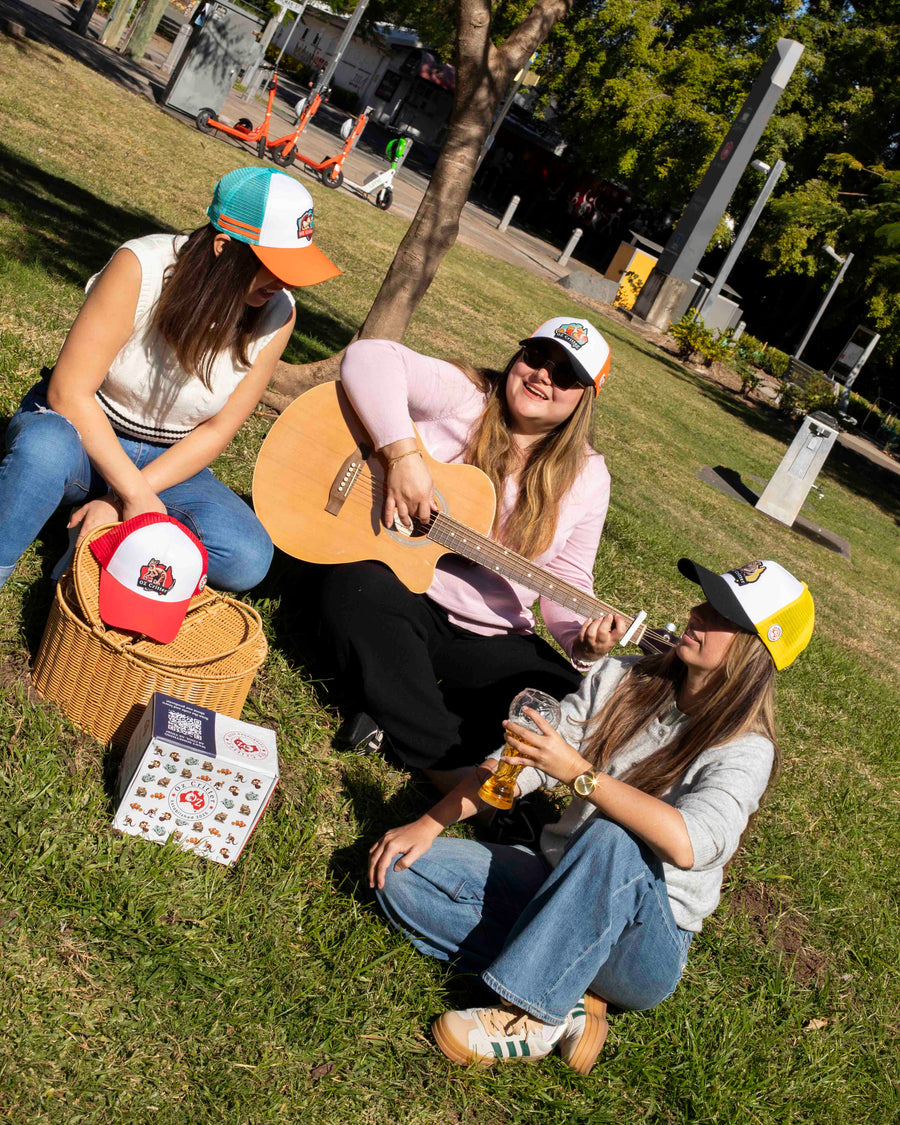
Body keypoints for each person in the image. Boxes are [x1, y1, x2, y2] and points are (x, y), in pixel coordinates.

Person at [368, 557, 814, 1072]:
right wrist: (432, 822)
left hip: (644, 940)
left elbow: (692, 843)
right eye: (705, 600)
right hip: (555, 880)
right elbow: (524, 762)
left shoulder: (745, 747)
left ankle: (529, 1016)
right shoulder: (624, 676)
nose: (697, 612)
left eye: (723, 615)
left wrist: (581, 774)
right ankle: (566, 982)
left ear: (757, 649)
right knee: (400, 873)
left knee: (614, 838)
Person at [318, 316, 628, 792]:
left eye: (565, 375)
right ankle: (444, 765)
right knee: (354, 590)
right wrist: (402, 459)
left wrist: (579, 640)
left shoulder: (588, 476)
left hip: (487, 632)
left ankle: (386, 710)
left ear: (583, 399)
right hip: (398, 590)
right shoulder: (467, 398)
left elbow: (567, 575)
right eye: (537, 357)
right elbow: (368, 356)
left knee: (569, 698)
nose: (543, 375)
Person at [0, 167, 339, 593]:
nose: (287, 281)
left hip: (168, 463)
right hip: (80, 434)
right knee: (43, 451)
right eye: (275, 264)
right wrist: (137, 500)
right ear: (224, 246)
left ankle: (90, 513)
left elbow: (217, 432)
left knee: (247, 556)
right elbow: (68, 393)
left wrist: (123, 496)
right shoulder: (140, 265)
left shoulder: (278, 314)